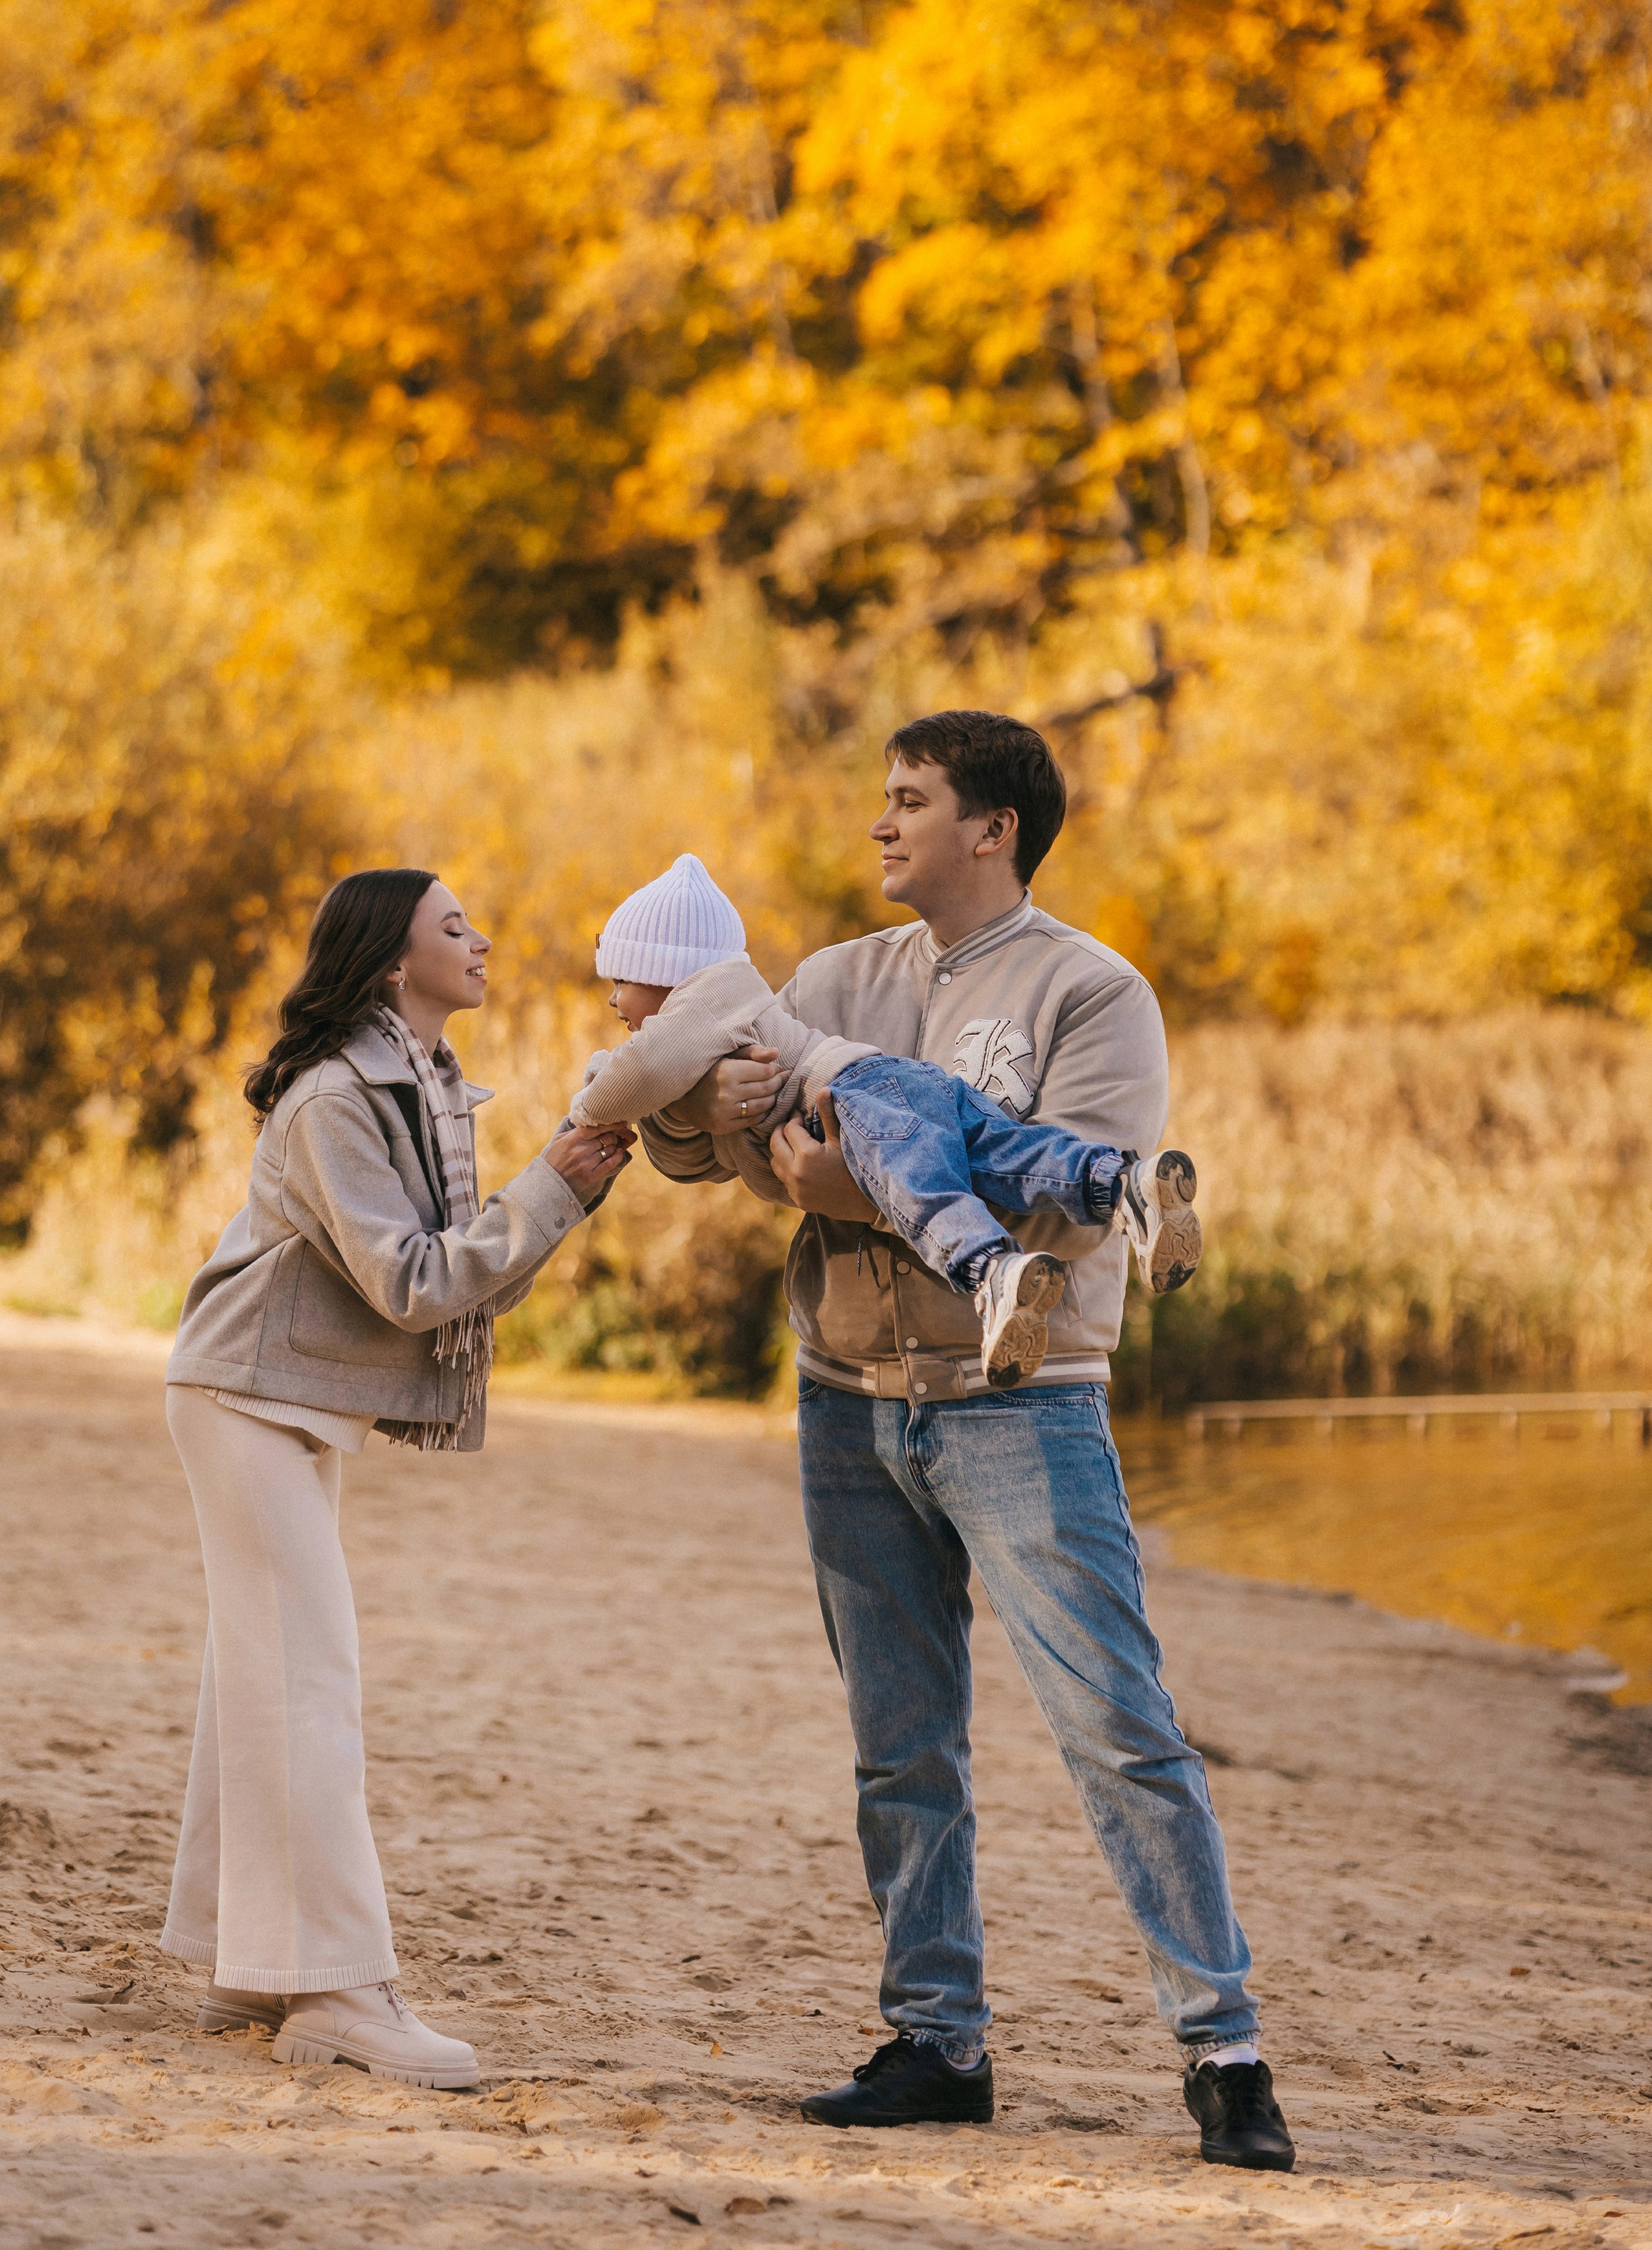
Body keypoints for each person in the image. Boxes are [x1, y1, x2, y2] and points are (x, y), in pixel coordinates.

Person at [639, 713, 1295, 2174]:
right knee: (897, 1748)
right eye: (882, 802)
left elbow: (1067, 1216)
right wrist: (716, 1120)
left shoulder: (1093, 990)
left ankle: (1224, 2054)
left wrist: (848, 1192)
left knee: (1119, 1734)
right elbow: (729, 1156)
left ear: (988, 828)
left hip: (1024, 1409)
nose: (878, 827)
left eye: (908, 803)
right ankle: (934, 2041)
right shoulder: (830, 979)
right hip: (844, 1400)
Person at [158, 866, 632, 2092]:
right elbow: (413, 1284)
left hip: (295, 1398)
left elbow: (461, 1276)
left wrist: (560, 1193)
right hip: (245, 1392)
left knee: (256, 1679)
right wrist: (555, 1186)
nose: (483, 938)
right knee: (307, 1679)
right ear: (388, 963)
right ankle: (335, 1989)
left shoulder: (421, 1089)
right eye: (454, 925)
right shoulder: (333, 1097)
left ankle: (240, 1961)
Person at [569, 852, 1201, 1387]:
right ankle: (1119, 1185)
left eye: (621, 979)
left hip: (851, 1098)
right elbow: (687, 1155)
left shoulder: (701, 1003)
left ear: (662, 972)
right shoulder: (774, 990)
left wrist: (587, 1104)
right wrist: (699, 1107)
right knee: (1003, 1151)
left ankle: (991, 1272)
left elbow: (636, 1075)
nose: (613, 999)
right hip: (898, 1084)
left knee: (920, 1186)